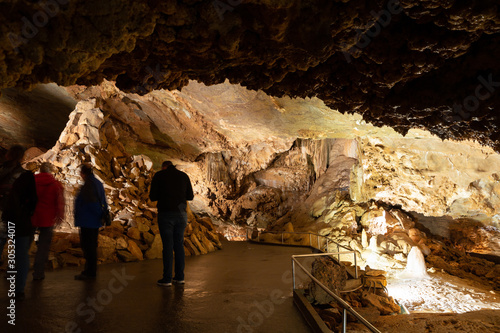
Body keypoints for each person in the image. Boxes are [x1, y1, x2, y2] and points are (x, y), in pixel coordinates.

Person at [1, 145, 37, 300]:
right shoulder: (27, 176)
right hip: (20, 220)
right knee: (21, 254)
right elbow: (33, 200)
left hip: (3, 217)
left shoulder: (1, 172)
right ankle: (19, 289)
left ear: (8, 155)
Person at [149, 161, 194, 287]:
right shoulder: (184, 176)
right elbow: (190, 196)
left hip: (166, 214)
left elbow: (152, 197)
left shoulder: (159, 175)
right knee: (179, 245)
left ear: (164, 167)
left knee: (168, 246)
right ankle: (180, 277)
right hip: (181, 214)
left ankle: (167, 278)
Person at [31, 162, 65, 280]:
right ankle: (38, 272)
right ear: (50, 171)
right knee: (43, 247)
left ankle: (13, 270)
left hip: (31, 217)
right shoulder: (55, 184)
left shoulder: (31, 182)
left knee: (23, 244)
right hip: (47, 219)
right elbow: (60, 202)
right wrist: (60, 216)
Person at [74, 164, 107, 280]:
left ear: (83, 173)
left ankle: (90, 272)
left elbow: (91, 204)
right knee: (91, 246)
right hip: (93, 220)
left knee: (88, 247)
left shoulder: (89, 185)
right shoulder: (97, 183)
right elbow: (103, 200)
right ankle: (90, 270)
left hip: (88, 221)